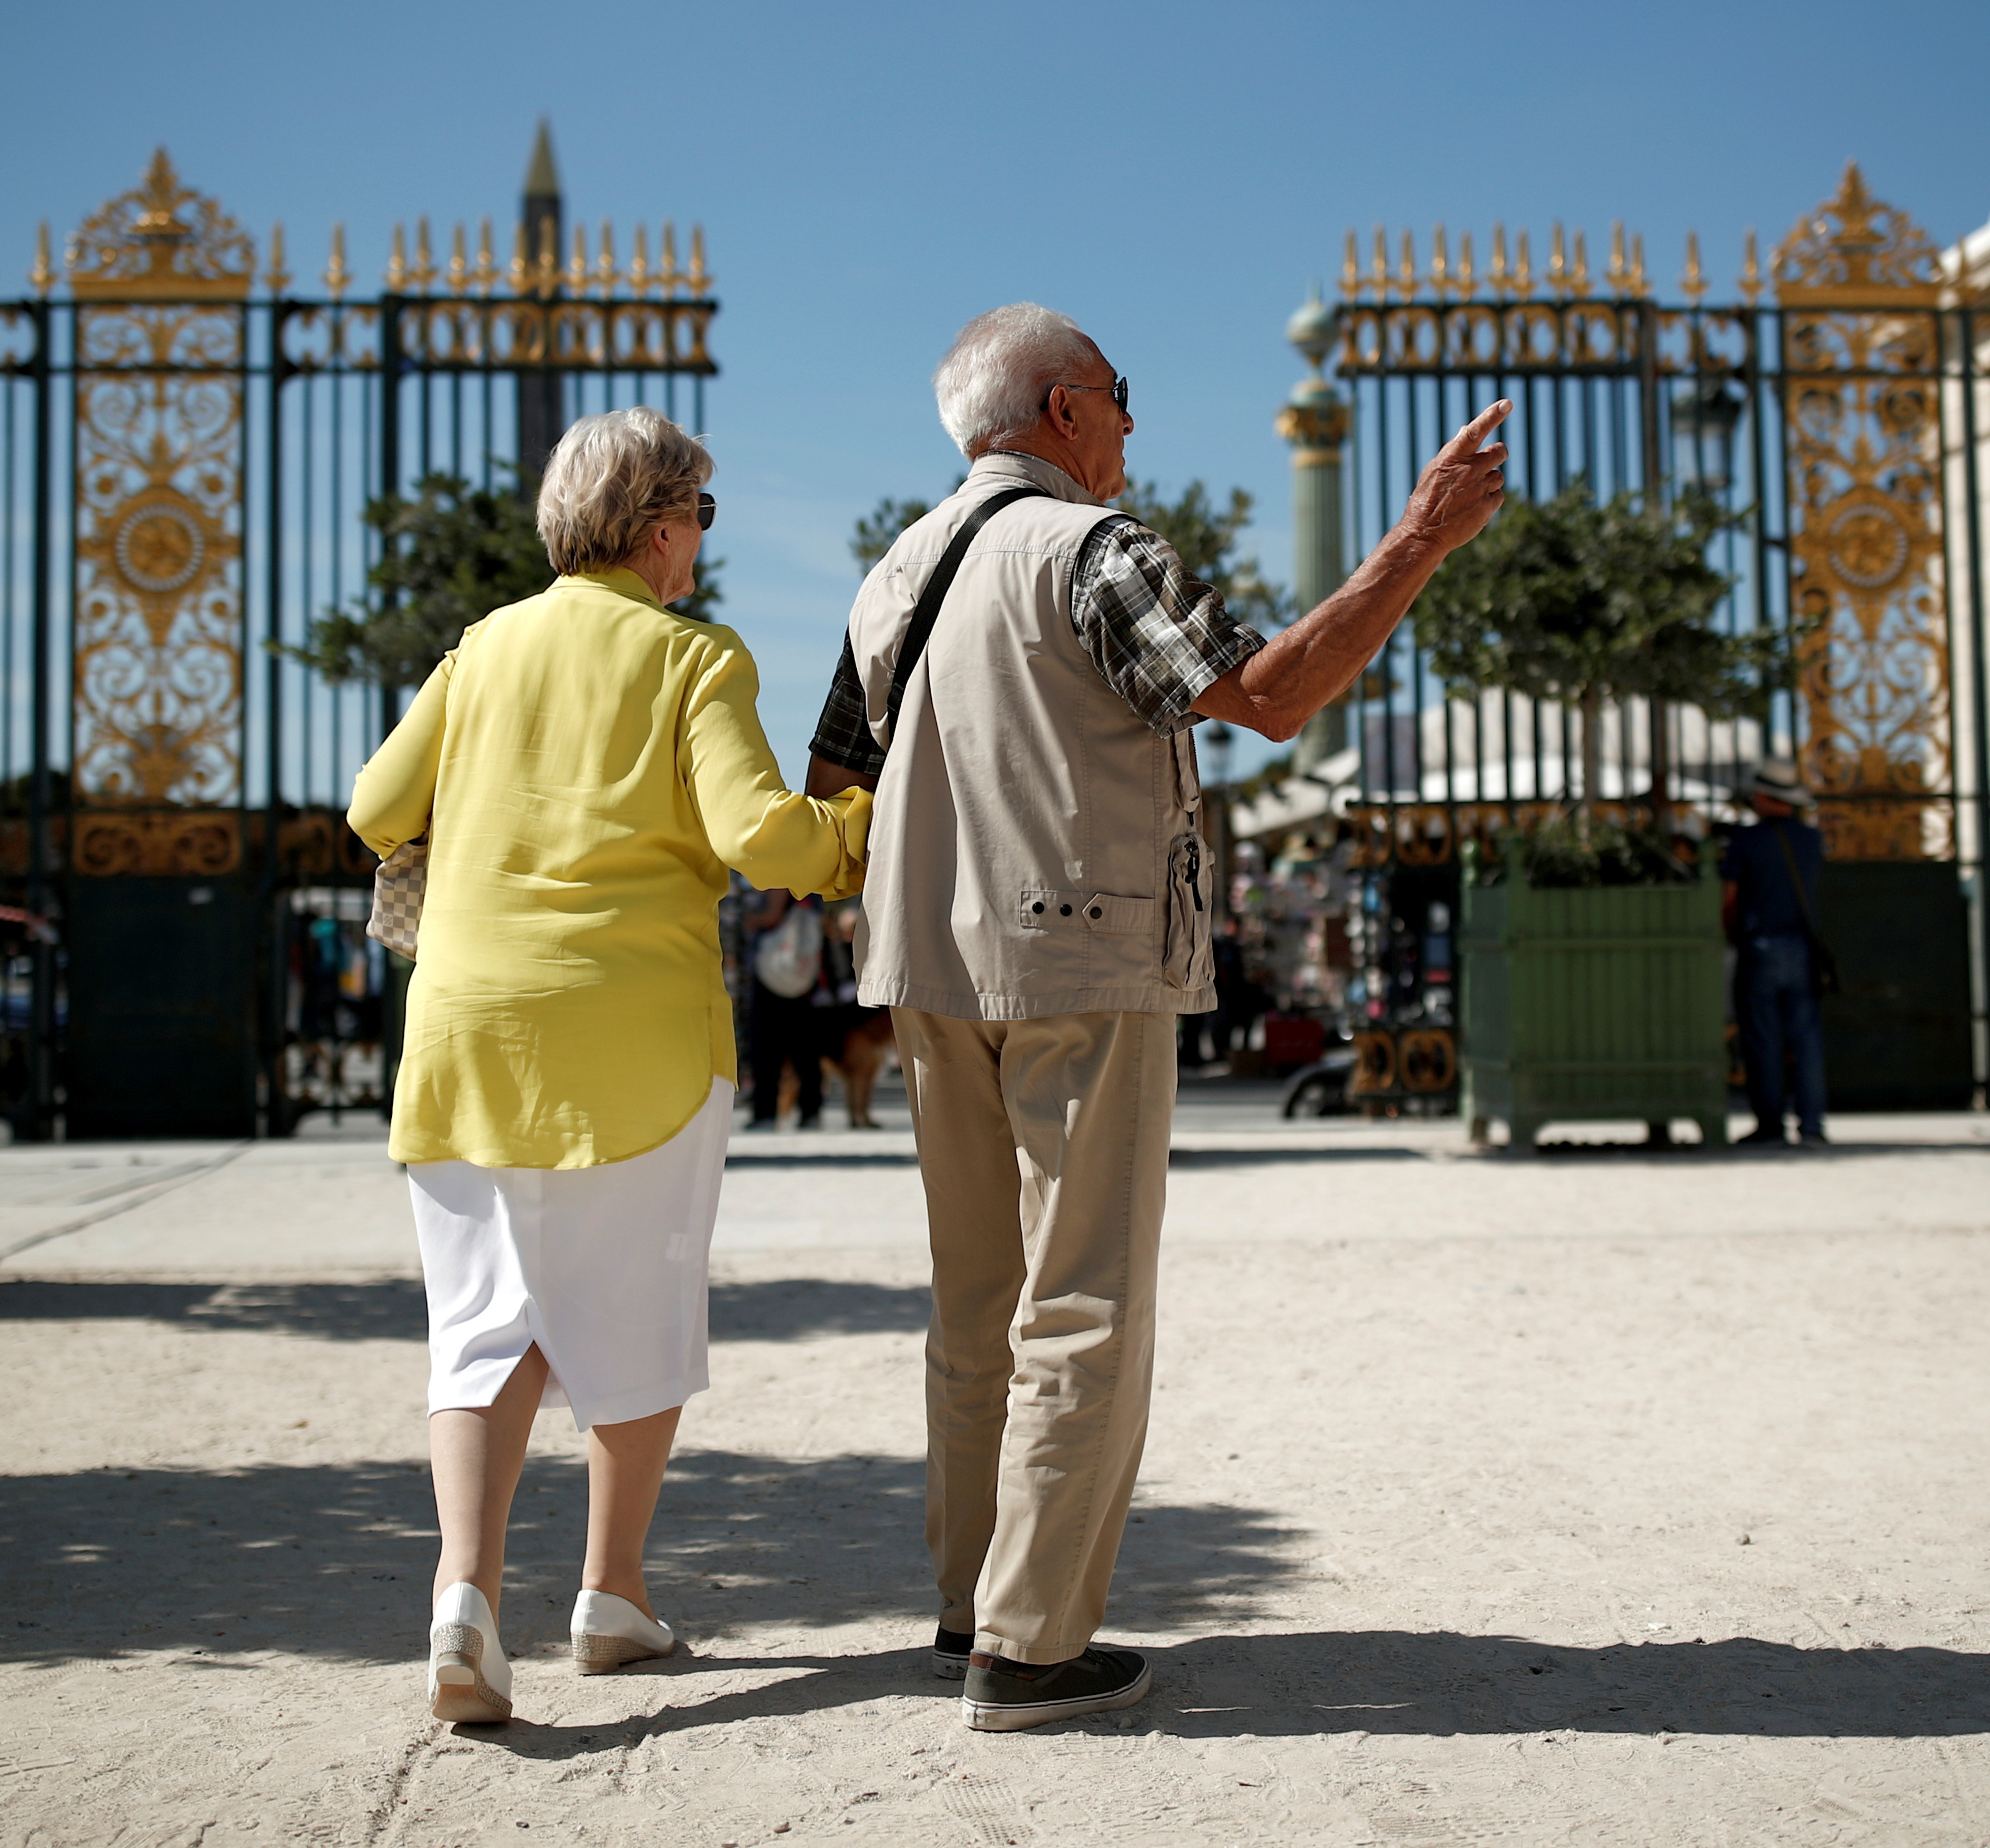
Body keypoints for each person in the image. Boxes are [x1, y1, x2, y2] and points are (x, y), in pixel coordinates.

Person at [804, 302, 1507, 1731]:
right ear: (1063, 409)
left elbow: (834, 785)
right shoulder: (1093, 550)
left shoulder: (892, 570)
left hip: (924, 967)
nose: (1131, 423)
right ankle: (1030, 1643)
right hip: (1079, 950)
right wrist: (1418, 539)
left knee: (973, 1305)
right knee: (1084, 1300)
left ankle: (969, 1602)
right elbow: (1268, 694)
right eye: (1119, 395)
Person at [349, 406, 871, 1726]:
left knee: (478, 1328)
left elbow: (372, 810)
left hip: (465, 1033)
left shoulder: (479, 650)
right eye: (699, 512)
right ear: (655, 525)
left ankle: (463, 1594)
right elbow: (765, 837)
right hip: (633, 1036)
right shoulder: (693, 655)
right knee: (632, 1315)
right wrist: (862, 815)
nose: (702, 538)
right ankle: (611, 1593)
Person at [1721, 757, 1829, 1147]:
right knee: (1806, 1039)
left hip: (1760, 944)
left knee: (1763, 1039)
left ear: (1765, 797)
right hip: (1801, 947)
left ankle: (1771, 1125)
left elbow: (1729, 898)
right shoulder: (1811, 839)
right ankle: (1812, 1126)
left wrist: (1729, 933)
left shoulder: (1746, 840)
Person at [742, 887, 826, 1129]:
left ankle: (766, 1112)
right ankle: (811, 1111)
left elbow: (772, 915)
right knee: (805, 1049)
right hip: (801, 975)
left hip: (776, 971)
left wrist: (747, 920)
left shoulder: (778, 875)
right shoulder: (809, 875)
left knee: (767, 1047)